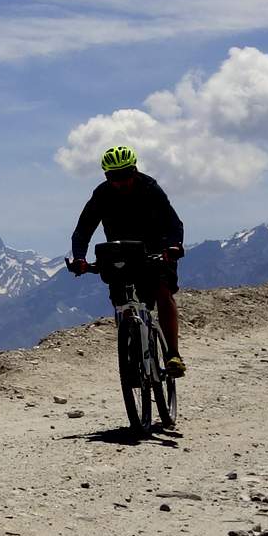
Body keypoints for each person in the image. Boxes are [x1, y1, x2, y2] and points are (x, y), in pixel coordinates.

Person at [65, 145, 186, 377]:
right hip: (120, 252)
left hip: (156, 248)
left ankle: (173, 354)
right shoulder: (101, 194)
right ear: (106, 176)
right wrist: (79, 258)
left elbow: (173, 223)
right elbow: (82, 231)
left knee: (162, 290)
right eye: (113, 177)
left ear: (135, 170)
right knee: (121, 300)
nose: (121, 182)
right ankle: (131, 344)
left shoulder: (150, 188)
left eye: (125, 175)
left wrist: (174, 246)